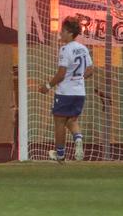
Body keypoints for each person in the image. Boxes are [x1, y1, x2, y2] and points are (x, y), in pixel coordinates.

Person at [38, 18, 92, 163]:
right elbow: (90, 70)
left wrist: (47, 86)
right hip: (80, 92)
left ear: (69, 32)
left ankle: (60, 154)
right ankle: (78, 138)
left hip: (65, 93)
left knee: (59, 122)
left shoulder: (65, 49)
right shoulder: (83, 48)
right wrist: (78, 79)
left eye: (62, 31)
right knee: (72, 120)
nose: (60, 34)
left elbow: (61, 74)